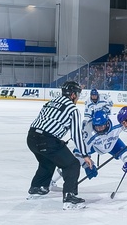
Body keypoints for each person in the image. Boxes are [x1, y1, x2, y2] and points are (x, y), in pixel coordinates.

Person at [26, 81, 94, 209]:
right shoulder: (72, 109)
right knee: (72, 164)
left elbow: (45, 123)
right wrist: (85, 155)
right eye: (78, 94)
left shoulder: (51, 102)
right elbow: (76, 135)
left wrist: (56, 140)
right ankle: (69, 197)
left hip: (31, 138)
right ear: (73, 95)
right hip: (47, 140)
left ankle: (37, 188)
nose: (78, 97)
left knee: (47, 162)